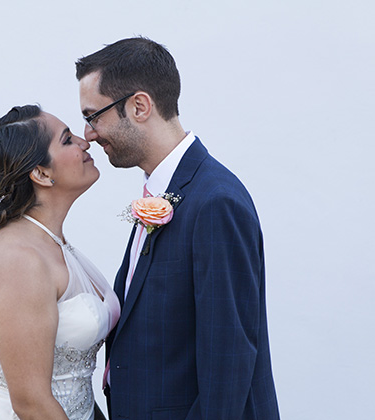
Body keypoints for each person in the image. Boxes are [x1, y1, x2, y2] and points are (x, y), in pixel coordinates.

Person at [76, 37, 280, 419]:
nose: (88, 133)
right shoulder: (167, 190)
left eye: (93, 116)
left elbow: (228, 362)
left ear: (139, 106)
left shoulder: (214, 201)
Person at [0, 105, 120, 420]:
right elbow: (31, 403)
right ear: (41, 173)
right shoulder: (19, 260)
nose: (86, 142)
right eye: (68, 140)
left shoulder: (55, 244)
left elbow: (74, 386)